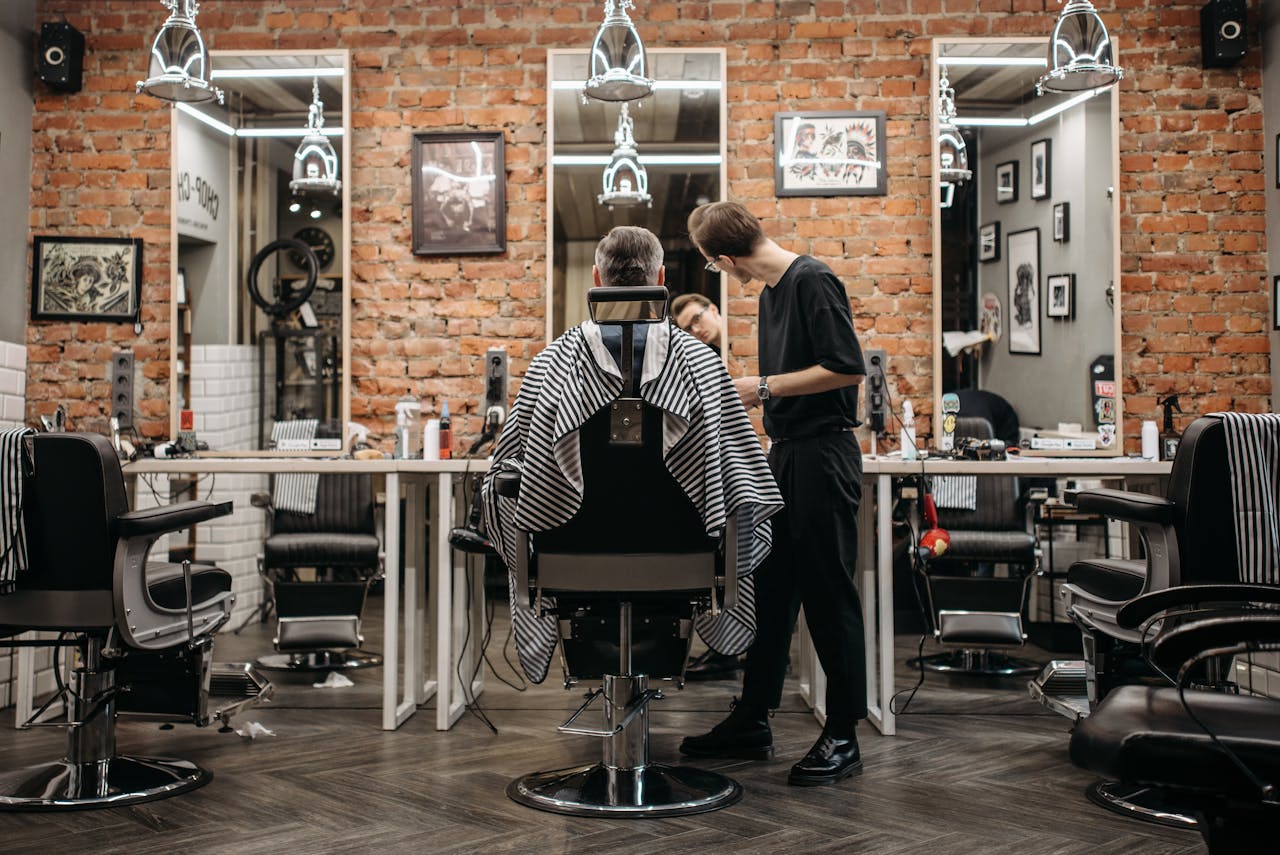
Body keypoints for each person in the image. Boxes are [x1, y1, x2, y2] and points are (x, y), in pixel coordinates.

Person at [482, 226, 783, 686]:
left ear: (597, 277)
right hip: (687, 555)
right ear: (660, 276)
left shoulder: (552, 362)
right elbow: (743, 477)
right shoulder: (700, 362)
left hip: (569, 555)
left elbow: (507, 470)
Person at [679, 200, 868, 787]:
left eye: (714, 267)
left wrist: (759, 386)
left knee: (828, 595)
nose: (721, 274)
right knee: (769, 590)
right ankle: (753, 717)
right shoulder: (768, 295)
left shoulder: (813, 281)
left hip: (823, 454)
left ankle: (843, 734)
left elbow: (847, 367)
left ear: (726, 258)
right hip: (785, 455)